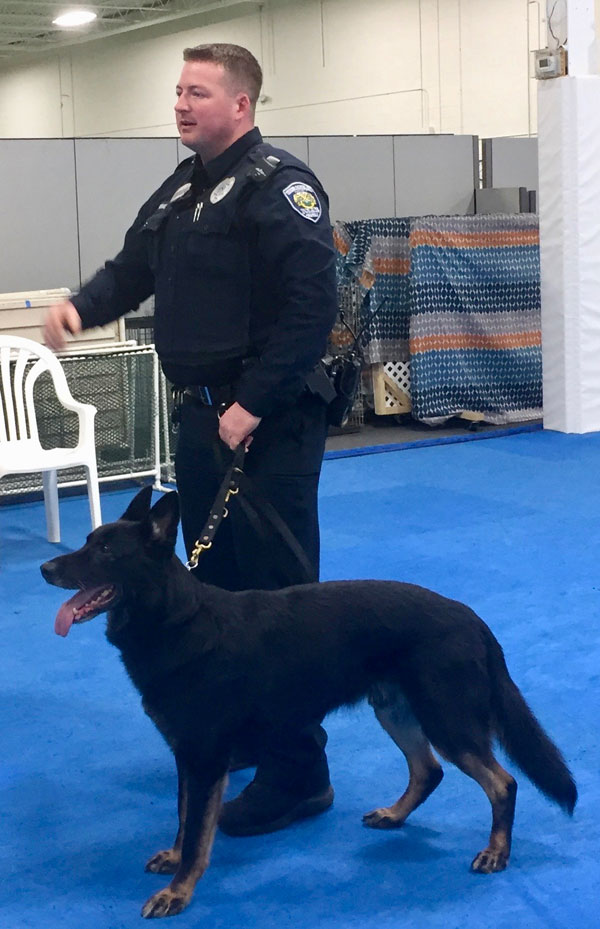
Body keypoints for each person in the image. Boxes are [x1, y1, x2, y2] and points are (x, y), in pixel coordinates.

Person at [44, 43, 338, 837]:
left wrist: (250, 404)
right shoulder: (184, 187)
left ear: (240, 104)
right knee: (218, 594)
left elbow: (314, 311)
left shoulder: (282, 188)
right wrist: (81, 306)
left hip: (266, 423)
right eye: (177, 91)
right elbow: (133, 266)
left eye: (197, 92)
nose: (180, 104)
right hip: (204, 421)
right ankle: (242, 730)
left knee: (278, 602)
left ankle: (299, 774)